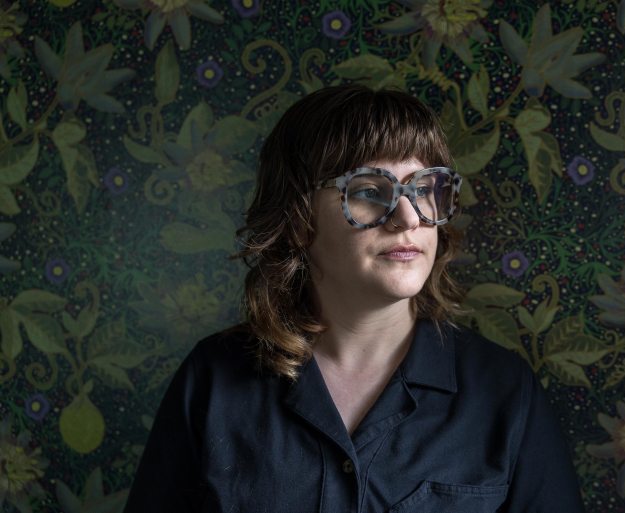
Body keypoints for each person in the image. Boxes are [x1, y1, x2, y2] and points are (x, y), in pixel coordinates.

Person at [124, 84, 584, 512]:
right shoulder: (213, 380)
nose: (408, 218)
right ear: (300, 219)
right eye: (369, 191)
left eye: (425, 189)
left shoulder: (503, 389)